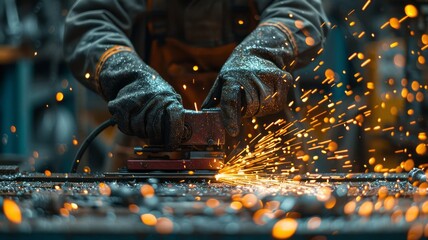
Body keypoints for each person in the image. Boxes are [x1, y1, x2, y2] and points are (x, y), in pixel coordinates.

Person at [64, 0, 329, 171]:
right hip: (151, 146)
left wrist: (258, 54)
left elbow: (301, 12)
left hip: (264, 153)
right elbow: (90, 23)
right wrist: (127, 76)